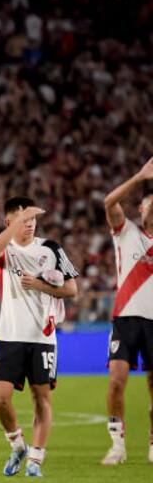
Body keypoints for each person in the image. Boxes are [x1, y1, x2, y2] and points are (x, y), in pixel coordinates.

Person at [0, 196, 79, 478]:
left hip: (42, 336)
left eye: (32, 220)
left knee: (42, 398)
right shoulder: (7, 250)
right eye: (23, 220)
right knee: (0, 397)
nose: (29, 225)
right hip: (9, 334)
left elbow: (72, 289)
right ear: (9, 222)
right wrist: (15, 224)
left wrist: (39, 284)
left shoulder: (51, 249)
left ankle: (36, 459)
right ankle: (17, 445)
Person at [101, 157, 153, 465]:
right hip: (125, 318)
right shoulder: (125, 232)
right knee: (116, 380)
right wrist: (139, 177)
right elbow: (109, 201)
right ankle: (117, 445)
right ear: (140, 210)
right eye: (149, 203)